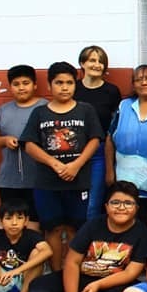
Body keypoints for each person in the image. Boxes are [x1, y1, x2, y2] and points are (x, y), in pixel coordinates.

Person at [29, 181, 147, 292]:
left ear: (136, 208)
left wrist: (99, 284)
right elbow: (72, 262)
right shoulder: (94, 225)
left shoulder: (143, 233)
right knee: (39, 286)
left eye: (128, 203)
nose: (121, 208)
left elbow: (131, 272)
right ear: (106, 206)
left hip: (113, 284)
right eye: (115, 202)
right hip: (83, 277)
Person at [21, 61, 104, 271]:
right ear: (49, 85)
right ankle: (56, 274)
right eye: (59, 83)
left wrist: (76, 164)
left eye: (69, 82)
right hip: (47, 182)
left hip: (78, 180)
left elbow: (95, 140)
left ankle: (72, 273)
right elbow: (29, 145)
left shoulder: (86, 110)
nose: (64, 87)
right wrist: (54, 163)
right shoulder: (40, 113)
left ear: (75, 85)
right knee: (53, 229)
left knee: (76, 228)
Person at [105, 64, 147, 227]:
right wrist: (109, 171)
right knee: (127, 222)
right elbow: (110, 138)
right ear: (133, 84)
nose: (144, 82)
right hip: (125, 176)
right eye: (139, 79)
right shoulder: (124, 105)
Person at [0, 64, 47, 231]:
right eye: (16, 84)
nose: (21, 88)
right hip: (9, 180)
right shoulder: (3, 110)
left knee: (34, 222)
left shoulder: (45, 107)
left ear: (35, 85)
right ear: (10, 86)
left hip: (38, 178)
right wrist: (4, 140)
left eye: (26, 83)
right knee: (11, 223)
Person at [75, 45, 122, 220]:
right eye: (92, 60)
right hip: (74, 149)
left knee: (93, 203)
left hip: (100, 151)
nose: (97, 65)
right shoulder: (73, 89)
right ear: (82, 63)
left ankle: (90, 236)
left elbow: (115, 124)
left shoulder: (111, 91)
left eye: (101, 62)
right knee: (75, 200)